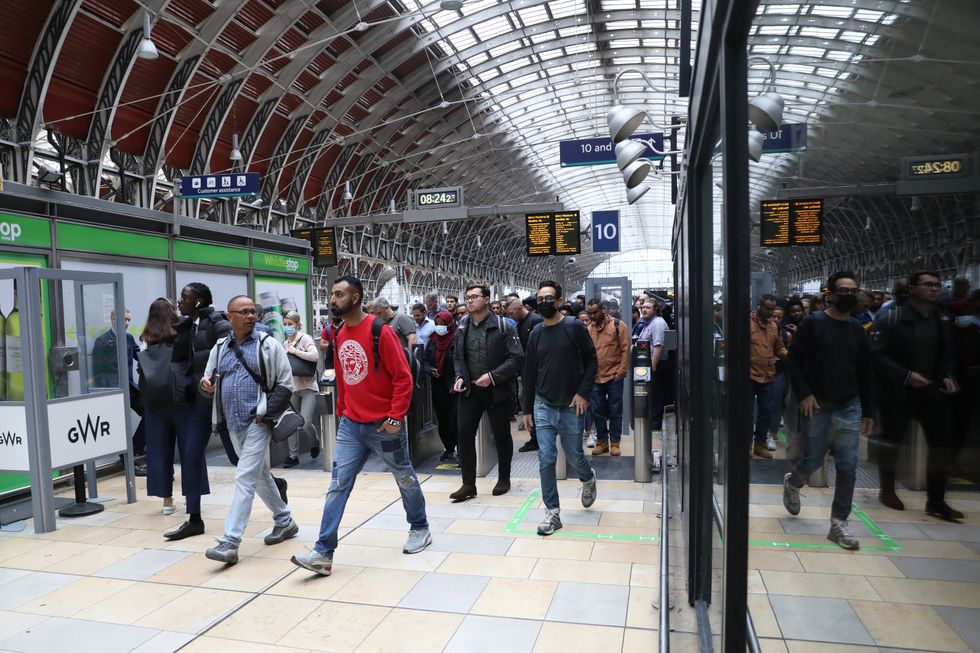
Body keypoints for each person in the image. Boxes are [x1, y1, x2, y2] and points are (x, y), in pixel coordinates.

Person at [292, 276, 431, 576]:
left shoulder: (380, 330)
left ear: (355, 298)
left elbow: (403, 377)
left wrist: (395, 417)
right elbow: (343, 375)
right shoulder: (340, 332)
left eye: (338, 294)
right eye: (331, 294)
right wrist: (342, 410)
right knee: (338, 485)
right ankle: (323, 552)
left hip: (384, 425)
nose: (332, 299)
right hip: (351, 425)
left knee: (404, 477)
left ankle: (420, 526)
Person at [200, 295, 298, 565]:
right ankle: (285, 520)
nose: (250, 316)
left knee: (244, 478)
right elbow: (207, 380)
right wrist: (206, 385)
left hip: (258, 422)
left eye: (252, 311)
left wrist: (262, 416)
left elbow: (285, 385)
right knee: (260, 475)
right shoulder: (220, 347)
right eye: (242, 312)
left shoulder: (268, 345)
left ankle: (230, 542)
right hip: (231, 422)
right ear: (229, 317)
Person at [782, 271, 874, 550]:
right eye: (844, 290)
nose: (850, 294)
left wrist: (869, 410)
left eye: (854, 290)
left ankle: (838, 524)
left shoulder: (857, 329)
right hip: (818, 404)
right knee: (812, 459)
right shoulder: (813, 323)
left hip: (849, 404)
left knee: (847, 465)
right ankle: (793, 482)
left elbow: (866, 372)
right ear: (830, 295)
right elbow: (794, 362)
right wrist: (805, 394)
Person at [870, 271, 962, 520]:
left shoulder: (940, 318)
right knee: (892, 441)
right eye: (928, 285)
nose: (934, 289)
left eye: (937, 285)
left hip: (931, 391)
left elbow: (947, 353)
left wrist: (947, 375)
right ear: (912, 289)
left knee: (942, 442)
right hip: (897, 391)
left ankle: (936, 500)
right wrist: (907, 376)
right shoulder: (892, 317)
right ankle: (887, 490)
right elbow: (876, 356)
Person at [523, 280, 598, 536]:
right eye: (540, 298)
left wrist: (582, 393)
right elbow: (530, 372)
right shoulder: (536, 333)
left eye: (549, 298)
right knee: (546, 458)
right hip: (543, 403)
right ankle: (552, 513)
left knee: (574, 455)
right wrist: (527, 409)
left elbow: (591, 361)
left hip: (570, 405)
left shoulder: (574, 326)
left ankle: (588, 478)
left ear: (559, 300)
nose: (544, 302)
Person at [163, 283, 227, 541]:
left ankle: (276, 486)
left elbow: (232, 350)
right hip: (198, 403)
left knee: (239, 459)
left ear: (198, 301)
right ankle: (194, 518)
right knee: (190, 455)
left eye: (184, 297)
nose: (180, 301)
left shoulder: (217, 323)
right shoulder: (189, 325)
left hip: (221, 404)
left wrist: (218, 381)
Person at [450, 284, 524, 500]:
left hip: (496, 390)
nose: (470, 301)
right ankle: (468, 484)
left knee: (501, 435)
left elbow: (517, 358)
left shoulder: (503, 326)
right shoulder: (462, 326)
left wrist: (492, 376)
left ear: (487, 299)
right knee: (464, 435)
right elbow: (457, 356)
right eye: (467, 297)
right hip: (470, 390)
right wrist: (459, 376)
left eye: (474, 297)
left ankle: (504, 478)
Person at [138, 299, 180, 515]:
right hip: (180, 400)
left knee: (159, 451)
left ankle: (167, 500)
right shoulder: (180, 335)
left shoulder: (146, 339)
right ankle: (193, 497)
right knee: (188, 449)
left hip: (155, 402)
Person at [92, 308, 146, 472]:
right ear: (113, 319)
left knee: (151, 412)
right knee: (120, 426)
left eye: (129, 320)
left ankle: (136, 446)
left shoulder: (129, 338)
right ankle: (127, 461)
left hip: (129, 388)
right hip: (113, 390)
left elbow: (140, 357)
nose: (128, 323)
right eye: (125, 320)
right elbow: (97, 370)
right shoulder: (103, 341)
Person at [586, 300, 630, 456]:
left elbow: (626, 349)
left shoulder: (618, 325)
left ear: (603, 310)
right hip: (595, 377)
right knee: (597, 410)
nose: (591, 316)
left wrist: (621, 371)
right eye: (589, 312)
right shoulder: (589, 329)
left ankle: (615, 442)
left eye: (594, 312)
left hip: (614, 376)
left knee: (615, 410)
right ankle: (602, 442)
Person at [748, 295, 788, 458]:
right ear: (759, 306)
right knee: (747, 412)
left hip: (768, 375)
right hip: (748, 375)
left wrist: (793, 356)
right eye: (768, 308)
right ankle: (745, 444)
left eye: (773, 309)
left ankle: (760, 444)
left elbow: (779, 348)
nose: (771, 312)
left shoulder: (773, 326)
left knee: (765, 412)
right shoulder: (747, 323)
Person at [282, 311, 320, 468]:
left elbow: (315, 356)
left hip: (308, 386)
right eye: (285, 324)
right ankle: (293, 455)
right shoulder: (285, 343)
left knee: (305, 421)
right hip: (292, 387)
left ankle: (314, 442)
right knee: (290, 423)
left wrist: (295, 351)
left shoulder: (305, 339)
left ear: (297, 324)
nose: (287, 327)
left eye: (290, 324)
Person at [419, 311, 458, 461]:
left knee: (456, 419)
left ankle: (461, 449)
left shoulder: (456, 340)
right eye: (437, 324)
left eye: (442, 324)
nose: (439, 327)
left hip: (454, 387)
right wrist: (430, 369)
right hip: (438, 386)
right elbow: (424, 361)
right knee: (443, 419)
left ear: (449, 325)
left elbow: (460, 361)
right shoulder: (433, 341)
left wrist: (456, 380)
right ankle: (448, 448)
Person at [507, 297, 543, 453]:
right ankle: (534, 438)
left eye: (511, 312)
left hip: (536, 372)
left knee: (535, 405)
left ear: (520, 308)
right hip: (525, 370)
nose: (510, 316)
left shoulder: (535, 321)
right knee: (528, 403)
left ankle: (538, 439)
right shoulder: (520, 323)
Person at [638, 299, 668, 434]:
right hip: (648, 364)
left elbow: (658, 345)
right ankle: (652, 420)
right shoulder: (648, 323)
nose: (644, 310)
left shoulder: (658, 323)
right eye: (643, 307)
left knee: (656, 394)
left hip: (657, 363)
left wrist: (653, 365)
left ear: (655, 309)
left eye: (648, 307)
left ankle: (655, 423)